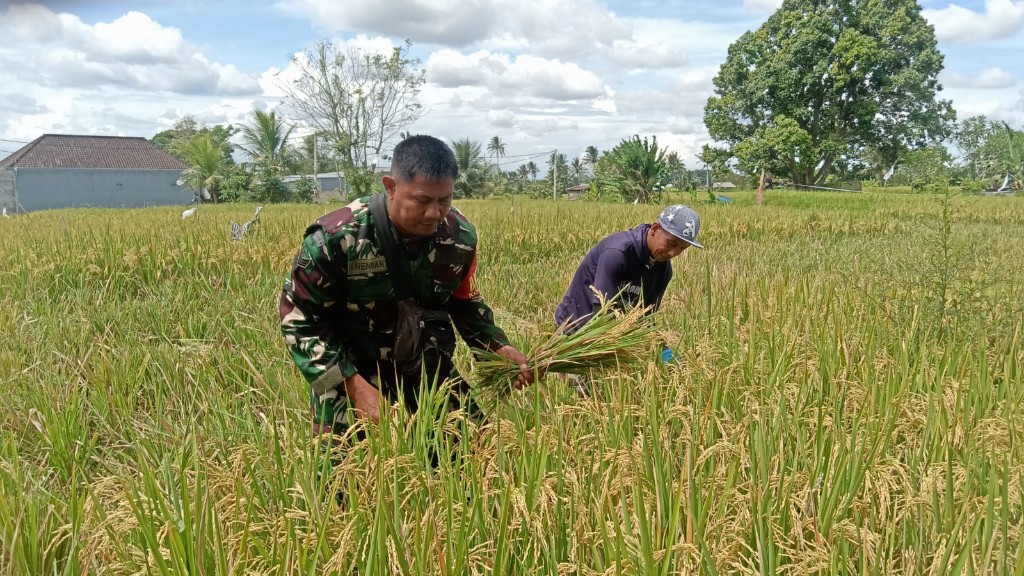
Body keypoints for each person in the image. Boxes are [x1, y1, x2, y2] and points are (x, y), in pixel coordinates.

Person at [280, 135, 533, 436]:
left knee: (476, 452)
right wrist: (356, 388)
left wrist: (496, 347)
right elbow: (301, 320)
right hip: (350, 370)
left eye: (444, 200)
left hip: (422, 364)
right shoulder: (338, 238)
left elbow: (464, 302)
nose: (434, 213)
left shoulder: (459, 237)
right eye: (422, 200)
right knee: (345, 475)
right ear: (391, 186)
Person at [554, 204, 703, 365]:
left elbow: (645, 317)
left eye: (682, 248)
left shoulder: (663, 270)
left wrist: (664, 351)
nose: (673, 253)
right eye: (671, 243)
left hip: (611, 332)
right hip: (576, 331)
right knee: (584, 389)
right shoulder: (618, 253)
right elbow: (602, 313)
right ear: (654, 229)